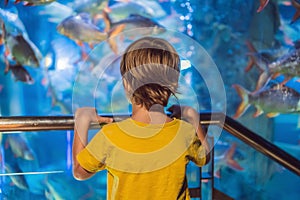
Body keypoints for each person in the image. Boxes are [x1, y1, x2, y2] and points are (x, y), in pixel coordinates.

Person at [72, 36, 210, 200]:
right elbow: (205, 157)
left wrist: (81, 121)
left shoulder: (111, 135)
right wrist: (193, 118)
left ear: (127, 85)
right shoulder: (184, 132)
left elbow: (80, 171)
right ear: (172, 85)